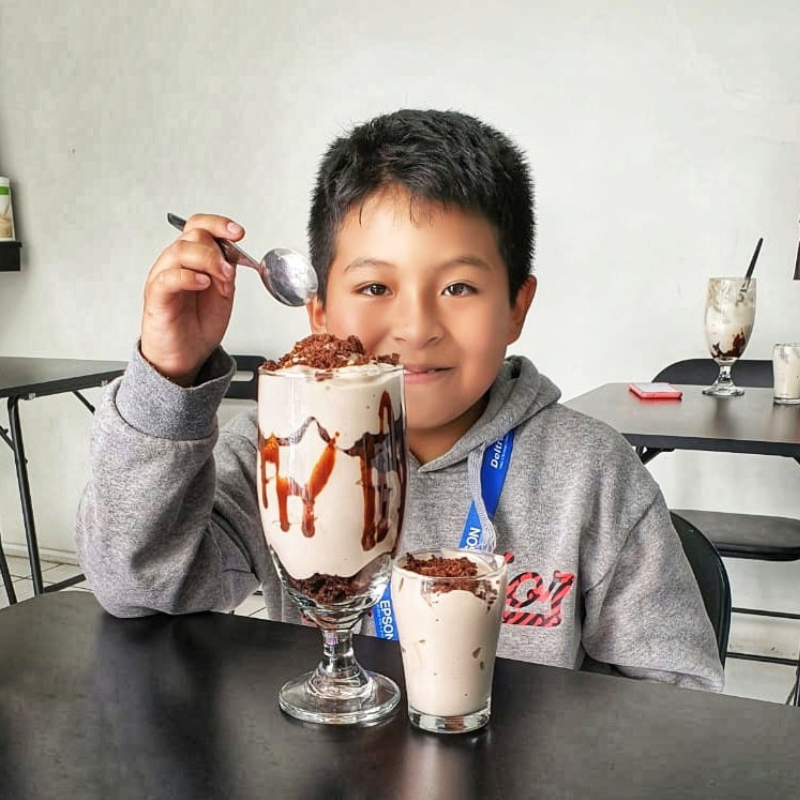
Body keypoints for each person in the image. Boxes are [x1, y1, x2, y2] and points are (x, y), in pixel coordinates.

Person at [76, 109, 724, 691]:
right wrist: (169, 377)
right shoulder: (279, 449)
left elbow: (678, 696)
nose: (416, 328)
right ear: (320, 313)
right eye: (375, 288)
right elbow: (137, 583)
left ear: (516, 308)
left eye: (459, 288)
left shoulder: (591, 473)